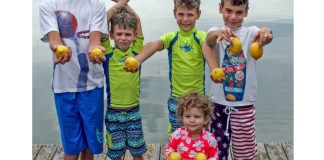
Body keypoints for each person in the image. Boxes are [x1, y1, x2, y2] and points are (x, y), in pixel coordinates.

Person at [125, 0, 217, 136]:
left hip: (199, 99)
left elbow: (207, 48)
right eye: (181, 14)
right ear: (174, 14)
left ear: (198, 14)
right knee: (176, 137)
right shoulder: (171, 37)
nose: (185, 19)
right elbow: (155, 45)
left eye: (190, 15)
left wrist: (215, 69)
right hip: (176, 99)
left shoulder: (201, 37)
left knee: (199, 138)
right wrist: (138, 60)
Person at [39, 0, 108, 159]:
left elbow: (95, 39)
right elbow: (54, 38)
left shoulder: (96, 4)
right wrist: (58, 49)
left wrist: (95, 49)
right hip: (64, 87)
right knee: (71, 148)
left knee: (90, 145)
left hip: (92, 86)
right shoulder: (48, 5)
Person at [206, 0, 273, 159]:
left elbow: (266, 33)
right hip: (218, 105)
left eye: (239, 12)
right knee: (216, 152)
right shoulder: (216, 31)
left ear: (246, 12)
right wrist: (219, 34)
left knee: (245, 153)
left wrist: (265, 33)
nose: (233, 17)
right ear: (220, 8)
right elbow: (209, 39)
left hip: (244, 106)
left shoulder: (251, 33)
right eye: (229, 11)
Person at [101, 1, 147, 159]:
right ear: (111, 35)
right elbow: (102, 20)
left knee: (137, 152)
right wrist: (119, 4)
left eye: (128, 34)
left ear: (134, 35)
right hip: (113, 113)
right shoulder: (108, 54)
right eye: (119, 34)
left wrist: (124, 4)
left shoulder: (137, 52)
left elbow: (138, 20)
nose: (123, 38)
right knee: (116, 154)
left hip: (134, 111)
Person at [165, 91, 219, 160]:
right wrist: (170, 156)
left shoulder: (210, 139)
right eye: (187, 116)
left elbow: (214, 157)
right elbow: (169, 150)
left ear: (205, 119)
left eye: (197, 116)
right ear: (182, 117)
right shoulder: (177, 134)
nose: (192, 120)